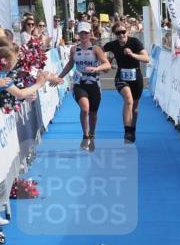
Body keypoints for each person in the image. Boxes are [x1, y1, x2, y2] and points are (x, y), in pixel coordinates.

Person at [58, 22, 112, 151]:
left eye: (86, 33)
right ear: (78, 34)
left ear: (90, 34)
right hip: (79, 83)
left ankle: (92, 134)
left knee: (93, 114)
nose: (84, 35)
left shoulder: (96, 49)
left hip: (94, 84)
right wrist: (59, 77)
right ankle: (85, 136)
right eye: (81, 32)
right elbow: (70, 64)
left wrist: (96, 68)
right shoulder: (73, 49)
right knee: (85, 109)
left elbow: (107, 65)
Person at [104, 24, 150, 143]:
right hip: (121, 77)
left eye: (123, 32)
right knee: (128, 100)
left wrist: (132, 54)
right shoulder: (113, 45)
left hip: (136, 77)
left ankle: (132, 130)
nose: (121, 35)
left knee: (135, 107)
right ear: (115, 35)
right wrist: (105, 62)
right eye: (118, 33)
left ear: (127, 31)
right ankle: (127, 131)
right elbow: (98, 50)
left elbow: (147, 58)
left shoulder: (134, 42)